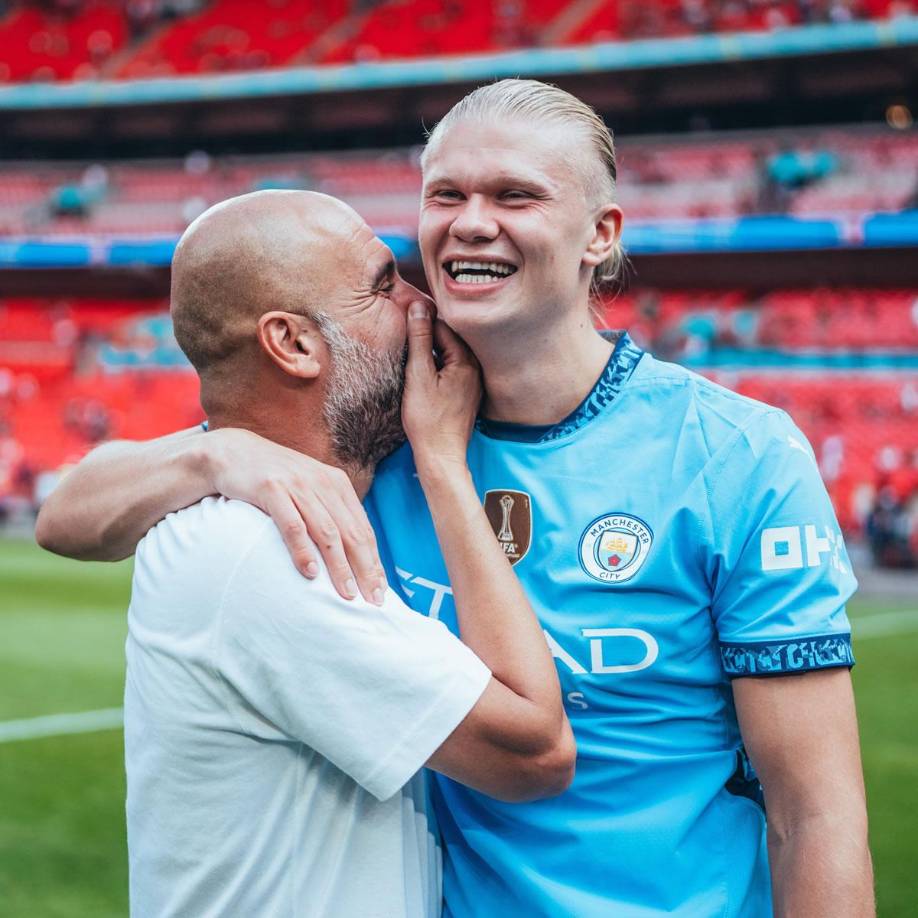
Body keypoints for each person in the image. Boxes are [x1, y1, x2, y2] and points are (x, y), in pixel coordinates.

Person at [37, 81, 874, 916]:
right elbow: (67, 513)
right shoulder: (372, 429)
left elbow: (816, 815)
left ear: (601, 233)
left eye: (515, 195)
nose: (472, 221)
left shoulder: (737, 456)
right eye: (447, 195)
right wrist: (219, 451)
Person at [110, 189, 575, 916]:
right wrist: (443, 462)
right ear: (293, 344)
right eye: (384, 286)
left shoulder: (235, 507)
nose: (424, 305)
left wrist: (215, 453)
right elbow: (534, 753)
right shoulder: (266, 555)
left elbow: (67, 514)